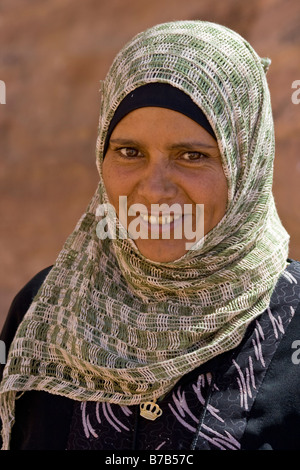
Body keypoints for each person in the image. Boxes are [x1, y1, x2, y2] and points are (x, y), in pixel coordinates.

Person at [0, 20, 300, 451]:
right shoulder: (45, 311)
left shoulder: (293, 324)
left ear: (247, 164)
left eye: (192, 156)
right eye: (129, 152)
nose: (154, 189)